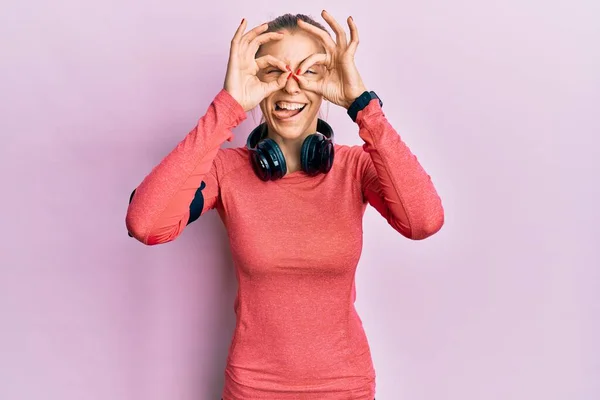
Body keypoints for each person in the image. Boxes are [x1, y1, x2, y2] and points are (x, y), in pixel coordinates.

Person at [126, 10, 444, 400]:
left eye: (309, 72)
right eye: (274, 71)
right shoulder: (226, 171)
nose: (290, 88)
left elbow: (423, 221)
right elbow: (146, 224)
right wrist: (228, 107)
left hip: (344, 387)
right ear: (254, 80)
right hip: (253, 389)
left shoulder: (357, 168)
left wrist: (363, 105)